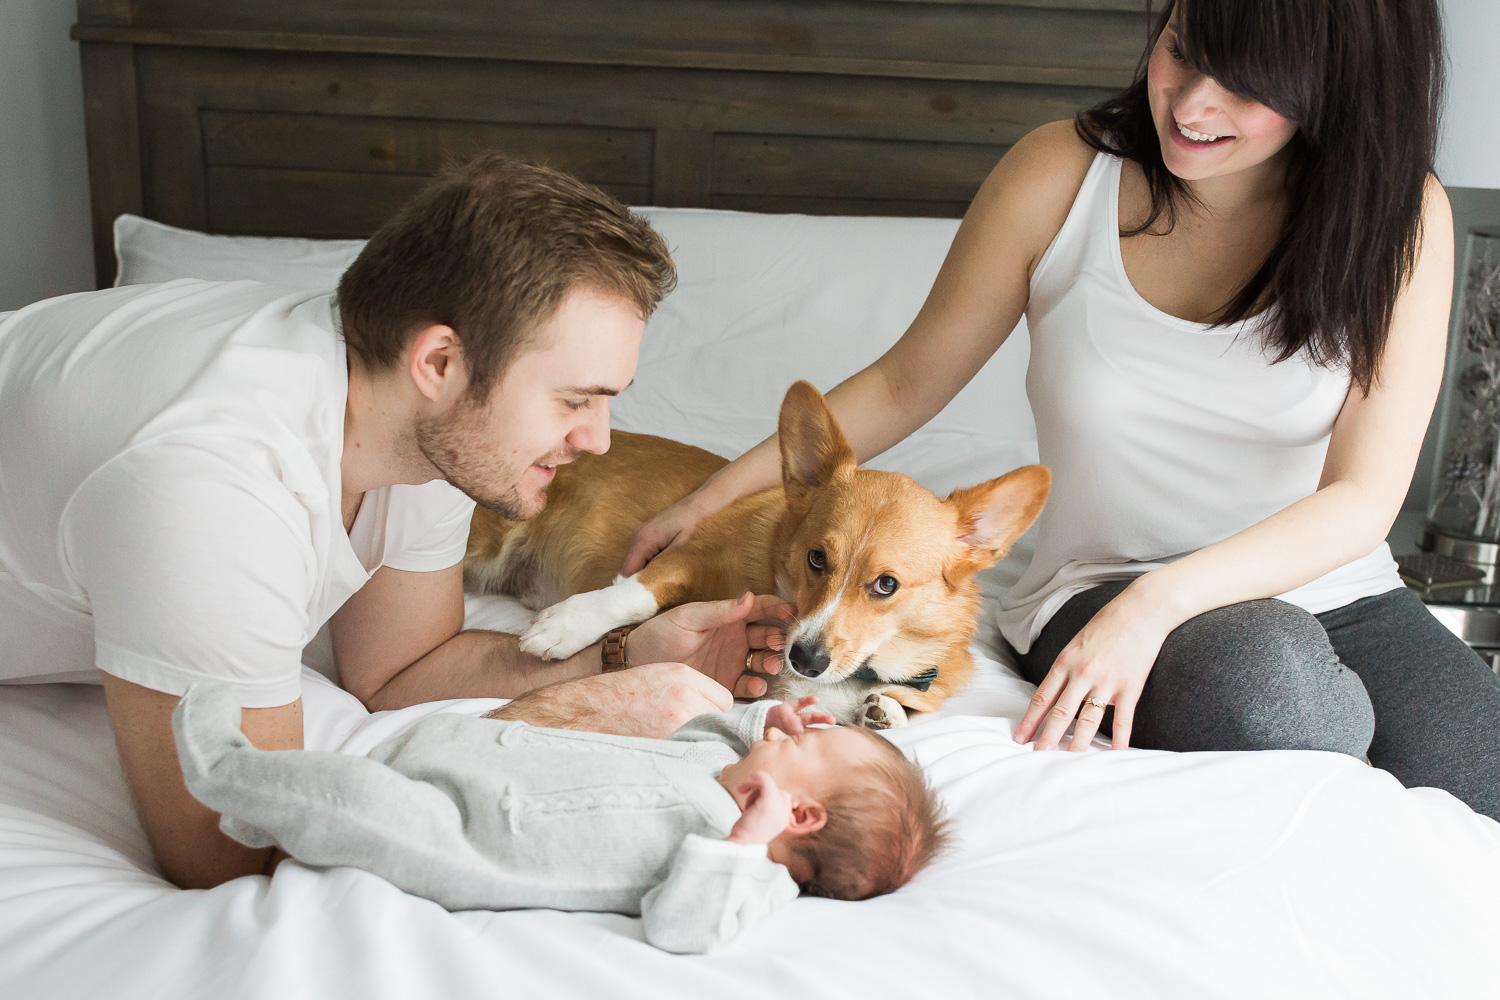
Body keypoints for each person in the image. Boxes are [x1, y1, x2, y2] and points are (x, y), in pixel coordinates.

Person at [620, 0, 1500, 820]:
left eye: (1249, 83)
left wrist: (1159, 604)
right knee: (1268, 694)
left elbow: (1362, 500)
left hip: (1335, 594)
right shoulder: (1063, 174)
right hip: (1100, 593)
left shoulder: (1399, 216)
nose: (1191, 103)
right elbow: (902, 384)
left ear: (1336, 88)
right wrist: (706, 504)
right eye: (1182, 51)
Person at [0, 155, 792, 890]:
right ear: (440, 362)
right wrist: (574, 714)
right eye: (574, 399)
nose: (598, 439)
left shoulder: (418, 425)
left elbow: (397, 673)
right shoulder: (214, 490)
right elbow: (231, 847)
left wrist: (619, 655)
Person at [170, 685, 949, 953]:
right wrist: (760, 723)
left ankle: (226, 771)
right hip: (481, 761)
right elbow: (694, 740)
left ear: (801, 814)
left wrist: (744, 844)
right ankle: (264, 815)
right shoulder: (718, 770)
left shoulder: (745, 869)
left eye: (810, 741)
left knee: (355, 805)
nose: (795, 729)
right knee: (350, 789)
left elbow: (684, 926)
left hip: (467, 840)